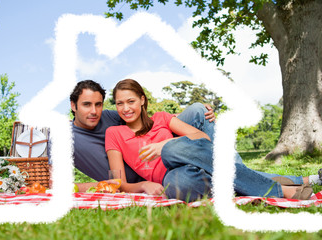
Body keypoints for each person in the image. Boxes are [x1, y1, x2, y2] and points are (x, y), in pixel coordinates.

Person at [105, 79, 316, 202]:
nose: (125, 108)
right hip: (179, 175)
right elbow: (117, 183)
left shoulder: (161, 118)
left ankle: (283, 191)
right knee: (180, 184)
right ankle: (302, 181)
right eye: (119, 103)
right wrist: (143, 185)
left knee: (169, 151)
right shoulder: (114, 133)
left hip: (195, 159)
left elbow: (202, 138)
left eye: (131, 101)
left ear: (142, 100)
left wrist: (164, 145)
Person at [69, 80, 216, 191]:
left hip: (173, 153)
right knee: (181, 179)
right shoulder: (64, 137)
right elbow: (117, 182)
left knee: (199, 110)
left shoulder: (109, 116)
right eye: (86, 105)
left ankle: (228, 170)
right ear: (73, 106)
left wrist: (172, 121)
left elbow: (145, 120)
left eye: (98, 104)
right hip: (152, 176)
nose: (94, 111)